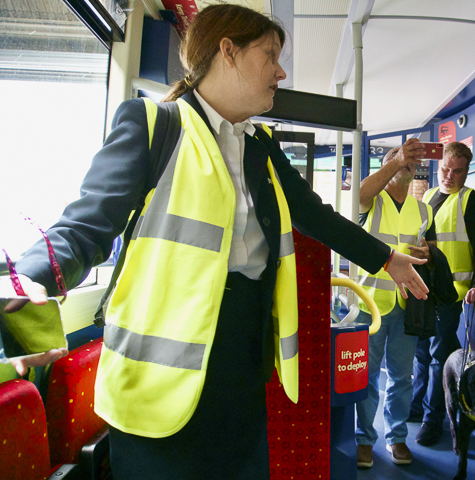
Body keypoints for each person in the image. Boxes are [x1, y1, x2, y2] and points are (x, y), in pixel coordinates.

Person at [1, 5, 429, 479]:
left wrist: (386, 258)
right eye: (270, 55)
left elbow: (315, 217)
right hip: (159, 375)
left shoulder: (261, 147)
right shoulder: (154, 126)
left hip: (243, 362)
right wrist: (29, 279)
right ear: (228, 51)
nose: (280, 72)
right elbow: (85, 227)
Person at [355, 139, 436, 468]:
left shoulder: (424, 210)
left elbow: (424, 252)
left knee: (403, 377)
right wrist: (394, 160)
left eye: (408, 160)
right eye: (397, 159)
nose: (405, 163)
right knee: (368, 376)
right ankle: (364, 438)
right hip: (370, 303)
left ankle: (397, 437)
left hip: (407, 307)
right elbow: (360, 193)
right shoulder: (372, 200)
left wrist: (427, 255)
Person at [409, 141, 475, 446]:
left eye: (458, 171)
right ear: (438, 165)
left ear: (467, 172)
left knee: (436, 358)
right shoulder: (429, 195)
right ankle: (416, 407)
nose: (449, 175)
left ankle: (433, 421)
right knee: (420, 354)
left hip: (452, 294)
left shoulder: (469, 201)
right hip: (424, 289)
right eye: (445, 168)